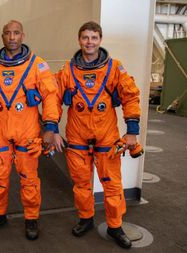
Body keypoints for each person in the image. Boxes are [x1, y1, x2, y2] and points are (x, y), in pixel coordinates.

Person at [53, 21, 141, 249]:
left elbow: (130, 96)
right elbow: (52, 97)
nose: (89, 42)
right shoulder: (68, 71)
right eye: (85, 38)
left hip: (106, 137)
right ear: (79, 40)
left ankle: (115, 225)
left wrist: (132, 132)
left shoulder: (114, 68)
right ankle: (85, 219)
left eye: (93, 37)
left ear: (100, 40)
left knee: (111, 185)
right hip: (77, 136)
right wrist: (51, 128)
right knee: (81, 183)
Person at [0, 20, 60, 240]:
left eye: (16, 33)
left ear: (23, 36)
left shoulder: (37, 65)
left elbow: (51, 96)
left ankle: (31, 218)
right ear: (2, 36)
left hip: (28, 131)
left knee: (29, 179)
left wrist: (50, 128)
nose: (12, 37)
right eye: (7, 33)